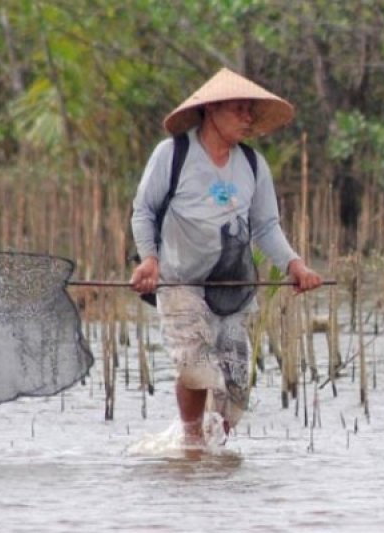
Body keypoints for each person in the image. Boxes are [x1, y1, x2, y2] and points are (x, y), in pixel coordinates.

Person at [130, 68, 322, 448]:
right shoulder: (173, 154)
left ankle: (212, 452)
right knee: (195, 364)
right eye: (239, 110)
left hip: (232, 285)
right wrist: (149, 260)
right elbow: (144, 211)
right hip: (180, 280)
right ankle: (189, 443)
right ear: (212, 111)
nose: (247, 118)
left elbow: (265, 226)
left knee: (234, 387)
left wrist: (295, 265)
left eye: (251, 111)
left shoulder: (253, 165)